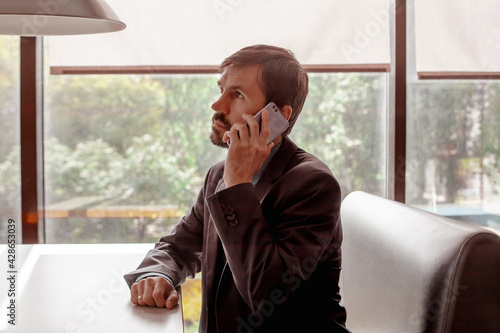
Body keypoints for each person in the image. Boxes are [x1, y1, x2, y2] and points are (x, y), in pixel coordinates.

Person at [124, 44, 350, 333]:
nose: (218, 106)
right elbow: (179, 246)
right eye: (221, 90)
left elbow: (270, 300)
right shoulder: (219, 174)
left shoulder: (313, 185)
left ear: (277, 116)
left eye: (238, 95)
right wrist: (157, 274)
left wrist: (238, 185)